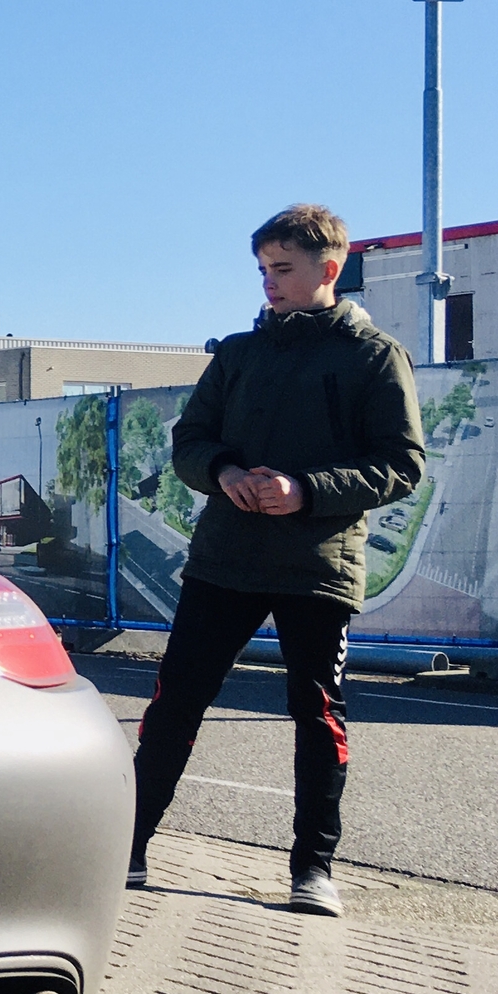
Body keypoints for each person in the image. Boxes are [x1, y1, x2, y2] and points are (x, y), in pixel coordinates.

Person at [127, 204, 425, 916]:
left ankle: (313, 870)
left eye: (282, 269)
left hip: (318, 566)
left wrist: (308, 490)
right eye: (262, 269)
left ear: (329, 270)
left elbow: (402, 464)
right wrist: (223, 471)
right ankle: (128, 846)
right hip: (223, 559)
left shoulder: (374, 356)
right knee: (175, 703)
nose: (269, 283)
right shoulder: (237, 353)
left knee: (315, 711)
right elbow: (190, 438)